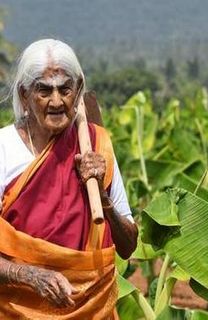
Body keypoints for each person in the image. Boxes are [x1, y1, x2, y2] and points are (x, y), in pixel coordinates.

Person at [0, 39, 138, 319]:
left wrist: (103, 199)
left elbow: (128, 246)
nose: (56, 101)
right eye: (44, 90)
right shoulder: (3, 148)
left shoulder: (97, 146)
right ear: (25, 95)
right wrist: (28, 275)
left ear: (77, 92)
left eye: (65, 89)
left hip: (91, 309)